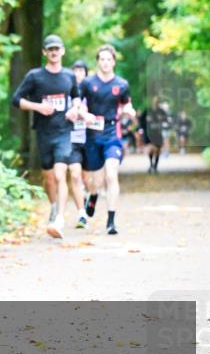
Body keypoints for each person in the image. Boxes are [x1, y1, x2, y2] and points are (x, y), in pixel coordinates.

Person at [11, 35, 83, 239]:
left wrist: (75, 109)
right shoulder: (35, 76)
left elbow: (76, 96)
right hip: (43, 133)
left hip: (64, 132)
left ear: (63, 51)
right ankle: (53, 206)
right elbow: (16, 100)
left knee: (61, 174)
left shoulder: (69, 76)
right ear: (44, 52)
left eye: (57, 49)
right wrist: (38, 107)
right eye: (50, 49)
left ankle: (59, 219)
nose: (53, 52)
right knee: (48, 177)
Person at [80, 45, 134, 234]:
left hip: (113, 133)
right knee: (97, 181)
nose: (105, 63)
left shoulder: (121, 84)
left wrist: (129, 111)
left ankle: (111, 222)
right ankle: (93, 196)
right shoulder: (87, 83)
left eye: (108, 59)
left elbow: (128, 104)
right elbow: (78, 104)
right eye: (101, 59)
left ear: (114, 62)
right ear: (97, 61)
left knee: (111, 174)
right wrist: (83, 114)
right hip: (93, 134)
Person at [66, 59, 90, 228]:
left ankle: (89, 195)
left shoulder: (93, 92)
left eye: (81, 71)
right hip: (72, 138)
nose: (78, 74)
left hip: (90, 138)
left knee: (88, 179)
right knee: (75, 174)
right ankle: (82, 214)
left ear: (86, 74)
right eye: (75, 70)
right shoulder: (66, 92)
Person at [143, 97, 166, 174]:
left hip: (158, 133)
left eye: (157, 101)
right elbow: (141, 120)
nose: (156, 102)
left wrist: (162, 119)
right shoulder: (147, 111)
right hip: (149, 133)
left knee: (158, 150)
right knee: (150, 149)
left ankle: (155, 166)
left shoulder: (161, 111)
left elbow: (167, 120)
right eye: (154, 101)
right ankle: (151, 165)